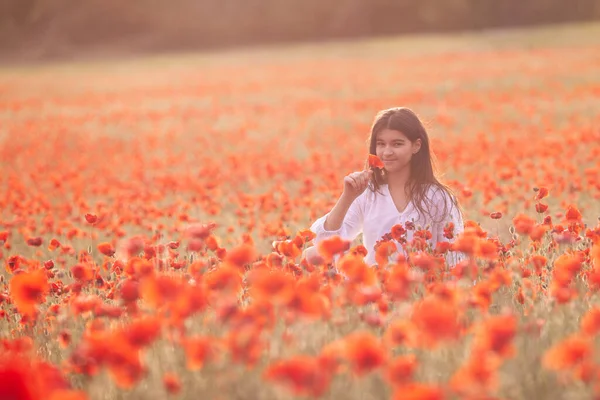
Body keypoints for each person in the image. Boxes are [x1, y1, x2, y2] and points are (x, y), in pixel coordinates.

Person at [304, 107, 464, 268]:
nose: (387, 152)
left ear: (416, 146)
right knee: (311, 254)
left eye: (397, 144)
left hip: (423, 288)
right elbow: (324, 243)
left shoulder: (437, 197)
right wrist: (347, 197)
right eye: (381, 144)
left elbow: (454, 258)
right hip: (375, 288)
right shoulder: (368, 194)